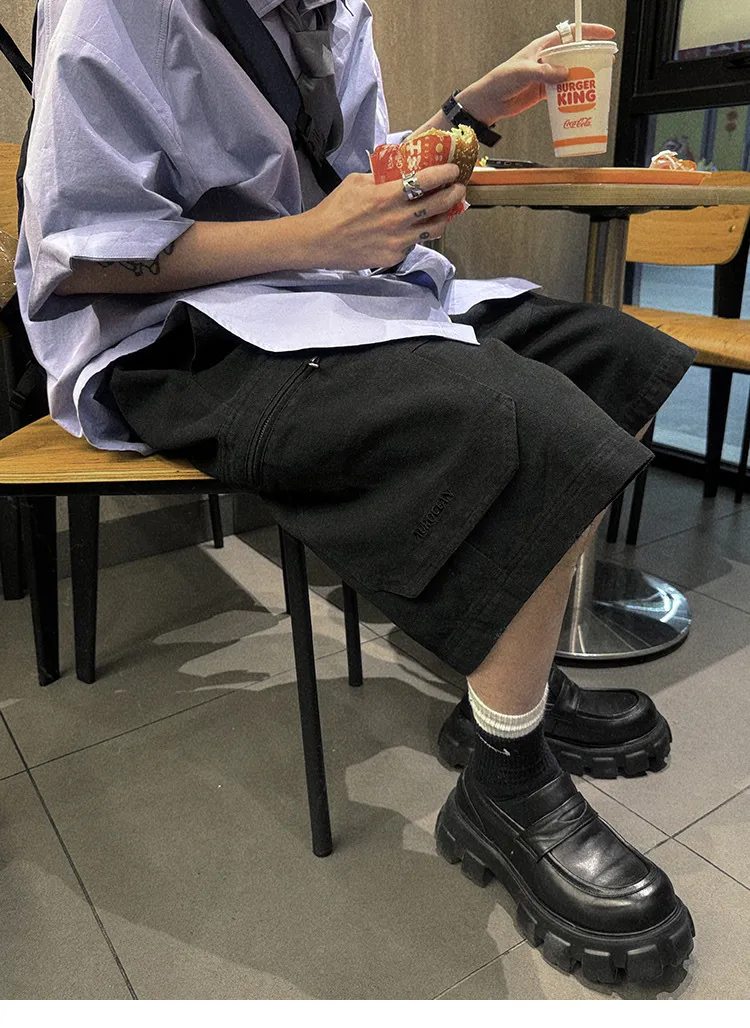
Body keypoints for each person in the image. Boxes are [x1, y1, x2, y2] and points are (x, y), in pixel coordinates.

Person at [15, 0, 696, 985]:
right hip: (178, 331)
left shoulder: (334, 12)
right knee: (532, 426)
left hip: (330, 292)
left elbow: (350, 181)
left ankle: (501, 698)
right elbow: (79, 252)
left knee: (618, 358)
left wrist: (468, 116)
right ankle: (504, 781)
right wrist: (315, 237)